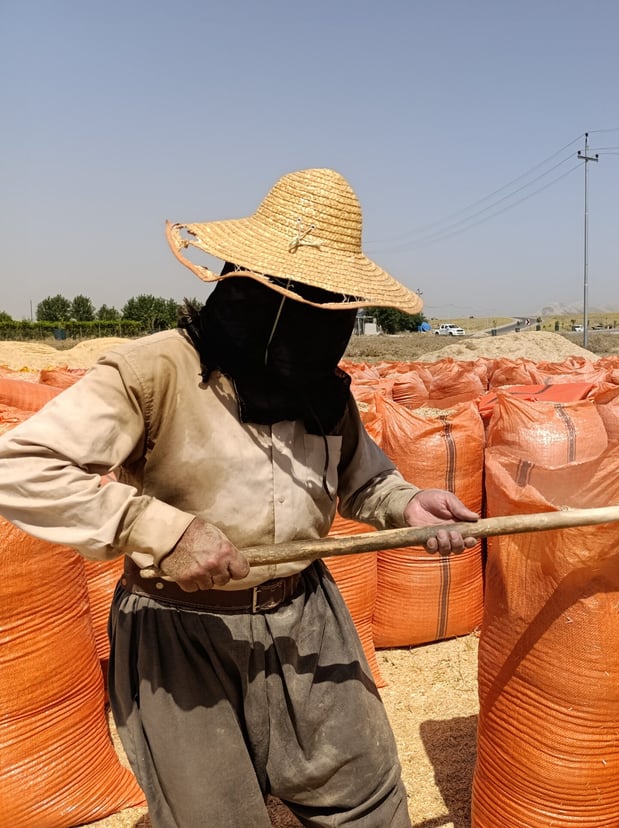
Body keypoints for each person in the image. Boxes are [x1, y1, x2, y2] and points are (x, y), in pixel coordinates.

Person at [0, 168, 481, 827]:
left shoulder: (323, 387)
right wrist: (160, 529)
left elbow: (363, 481)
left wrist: (407, 504)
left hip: (308, 620)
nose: (317, 315)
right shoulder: (155, 370)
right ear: (251, 288)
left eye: (329, 300)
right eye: (305, 295)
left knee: (367, 802)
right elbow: (19, 467)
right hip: (179, 633)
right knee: (215, 817)